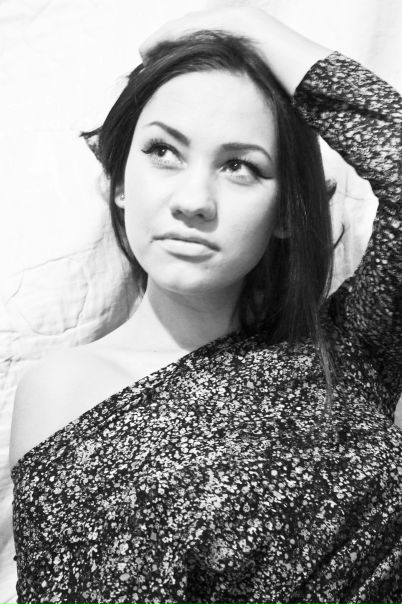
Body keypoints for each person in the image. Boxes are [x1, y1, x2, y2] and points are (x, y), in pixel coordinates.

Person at [9, 7, 402, 603]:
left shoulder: (352, 346)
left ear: (285, 213)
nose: (193, 200)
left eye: (239, 166)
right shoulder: (67, 390)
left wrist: (253, 27)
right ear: (121, 182)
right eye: (164, 151)